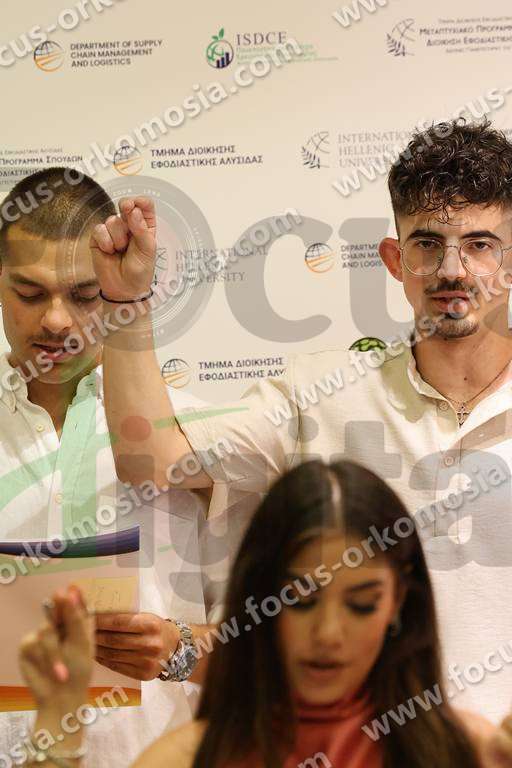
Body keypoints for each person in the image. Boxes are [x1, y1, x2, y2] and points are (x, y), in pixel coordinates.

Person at [92, 117, 512, 722]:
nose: (453, 270)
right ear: (394, 260)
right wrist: (126, 303)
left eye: (479, 244)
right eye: (427, 243)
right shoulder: (319, 392)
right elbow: (150, 459)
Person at [18, 460, 512, 767]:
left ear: (399, 602)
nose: (329, 634)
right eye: (300, 600)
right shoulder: (189, 758)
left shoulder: (467, 752)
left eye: (361, 604)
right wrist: (57, 723)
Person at [0, 168, 215, 768]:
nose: (56, 321)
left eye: (84, 295)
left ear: (118, 288)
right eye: (29, 293)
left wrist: (180, 649)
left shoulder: (191, 434)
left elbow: (275, 639)